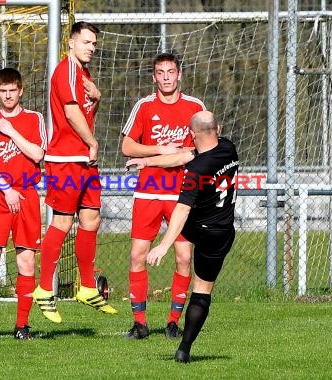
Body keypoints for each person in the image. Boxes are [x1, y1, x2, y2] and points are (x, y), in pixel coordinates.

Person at [126, 111, 239, 363]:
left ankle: (181, 344)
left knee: (199, 288)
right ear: (217, 129)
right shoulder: (228, 148)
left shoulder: (196, 170)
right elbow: (184, 155)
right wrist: (148, 162)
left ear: (191, 134)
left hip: (202, 228)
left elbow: (182, 208)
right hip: (221, 230)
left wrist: (164, 246)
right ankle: (183, 347)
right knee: (201, 289)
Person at [33, 21, 116, 323]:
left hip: (84, 160)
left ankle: (86, 286)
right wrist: (92, 141)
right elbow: (70, 112)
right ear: (71, 42)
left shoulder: (83, 74)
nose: (91, 47)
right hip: (65, 158)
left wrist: (98, 96)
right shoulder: (66, 70)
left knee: (92, 217)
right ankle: (43, 289)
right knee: (63, 221)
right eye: (86, 42)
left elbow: (84, 108)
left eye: (94, 43)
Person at [121, 52, 206, 339]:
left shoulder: (195, 107)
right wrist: (160, 150)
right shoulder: (144, 106)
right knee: (137, 255)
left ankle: (173, 322)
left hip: (183, 194)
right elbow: (128, 147)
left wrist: (178, 155)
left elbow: (200, 150)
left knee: (183, 256)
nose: (167, 77)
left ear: (179, 74)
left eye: (171, 71)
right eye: (161, 72)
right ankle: (140, 322)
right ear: (153, 76)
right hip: (148, 193)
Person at [0, 67, 47, 341]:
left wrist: (12, 132)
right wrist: (6, 189)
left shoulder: (34, 119)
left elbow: (38, 153)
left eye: (12, 90)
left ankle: (21, 326)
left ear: (21, 91)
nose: (8, 95)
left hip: (27, 194)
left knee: (26, 262)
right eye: (3, 91)